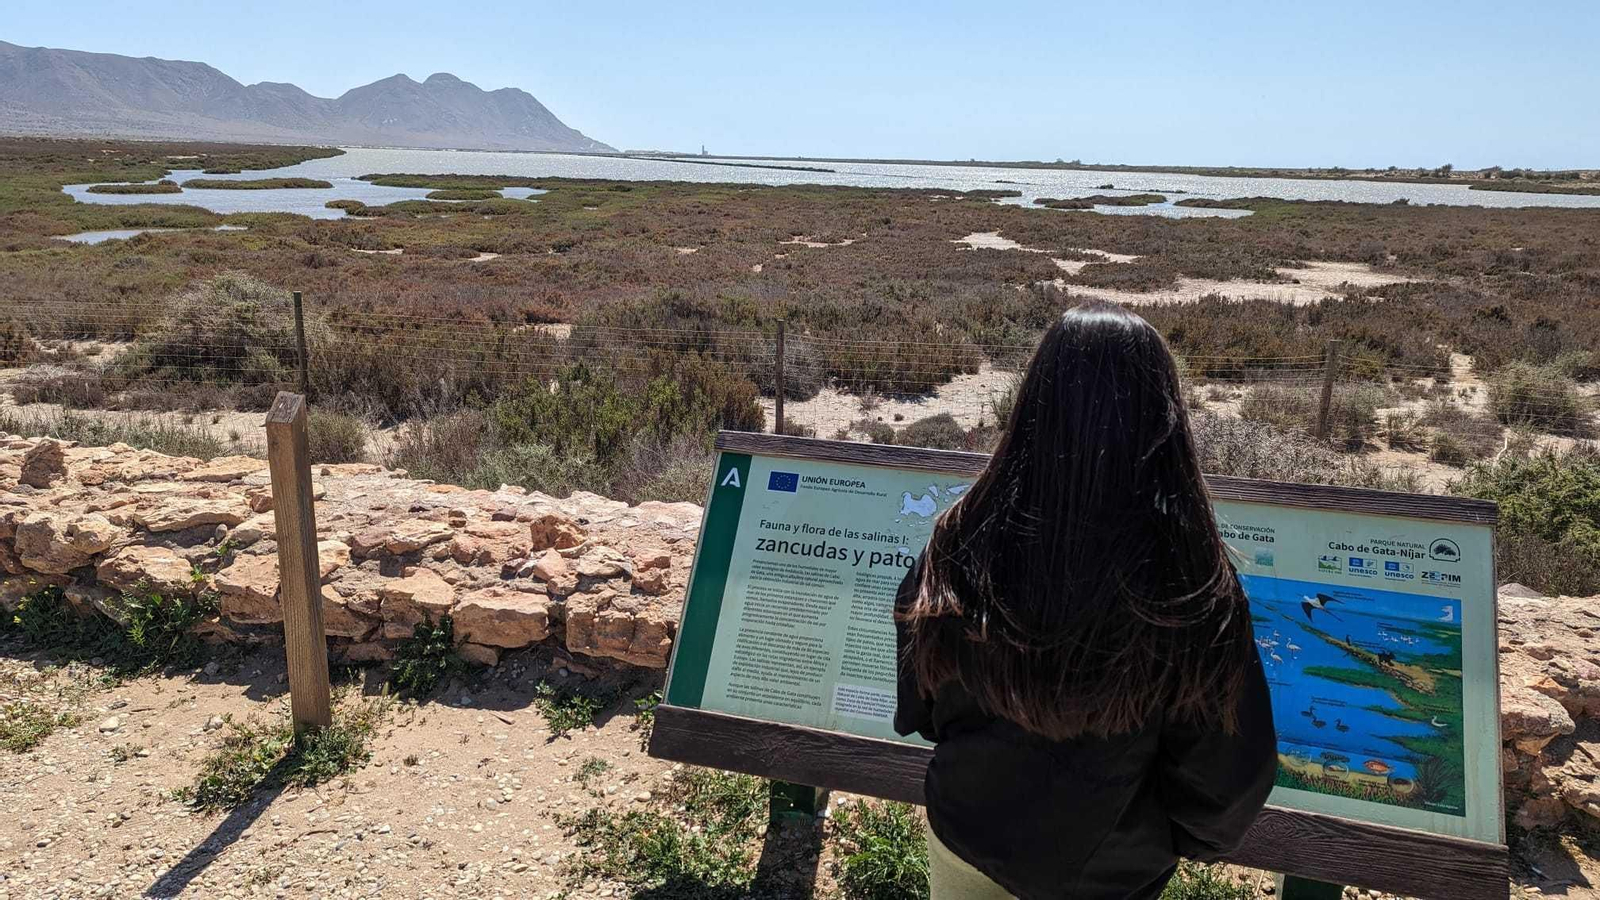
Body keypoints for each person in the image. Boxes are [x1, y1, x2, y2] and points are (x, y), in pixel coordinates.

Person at [894, 304, 1277, 900]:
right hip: (1104, 874)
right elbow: (1226, 782)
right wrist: (1168, 840)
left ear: (1032, 406)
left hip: (964, 831)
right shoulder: (1188, 582)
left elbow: (917, 705)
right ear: (1162, 420)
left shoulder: (959, 539)